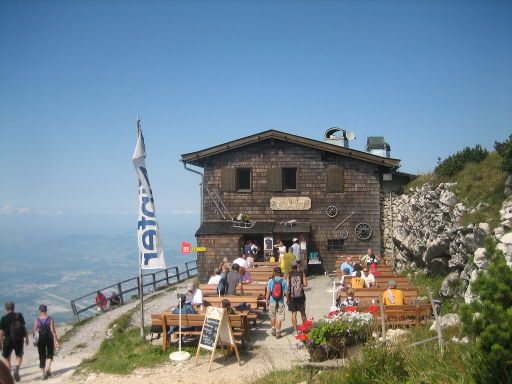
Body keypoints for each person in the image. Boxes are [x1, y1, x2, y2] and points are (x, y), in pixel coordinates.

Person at [0, 302, 28, 383]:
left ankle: (9, 374)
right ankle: (16, 368)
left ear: (6, 308)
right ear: (14, 307)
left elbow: (1, 332)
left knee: (6, 358)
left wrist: (0, 342)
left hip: (8, 339)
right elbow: (23, 327)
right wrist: (26, 338)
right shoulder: (19, 316)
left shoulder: (3, 318)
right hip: (19, 339)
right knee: (19, 355)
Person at [33, 304, 58, 380]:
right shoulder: (50, 319)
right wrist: (56, 340)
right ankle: (48, 368)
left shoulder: (37, 320)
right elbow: (53, 331)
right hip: (49, 338)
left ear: (40, 310)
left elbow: (34, 331)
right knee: (50, 353)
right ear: (46, 310)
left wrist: (35, 339)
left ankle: (43, 373)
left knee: (42, 355)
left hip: (40, 339)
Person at [266, 267, 288, 339]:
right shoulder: (283, 281)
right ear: (280, 273)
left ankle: (273, 329)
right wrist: (288, 299)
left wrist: (267, 300)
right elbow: (286, 292)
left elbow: (268, 292)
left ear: (274, 273)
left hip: (272, 301)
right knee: (279, 316)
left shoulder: (270, 281)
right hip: (280, 301)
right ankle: (278, 332)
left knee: (272, 315)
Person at [288, 263, 308, 336]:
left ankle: (295, 331)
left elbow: (288, 286)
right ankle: (305, 330)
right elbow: (306, 284)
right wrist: (300, 285)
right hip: (301, 296)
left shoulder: (289, 274)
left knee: (294, 314)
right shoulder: (301, 273)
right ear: (297, 267)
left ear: (291, 267)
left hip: (292, 297)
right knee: (303, 313)